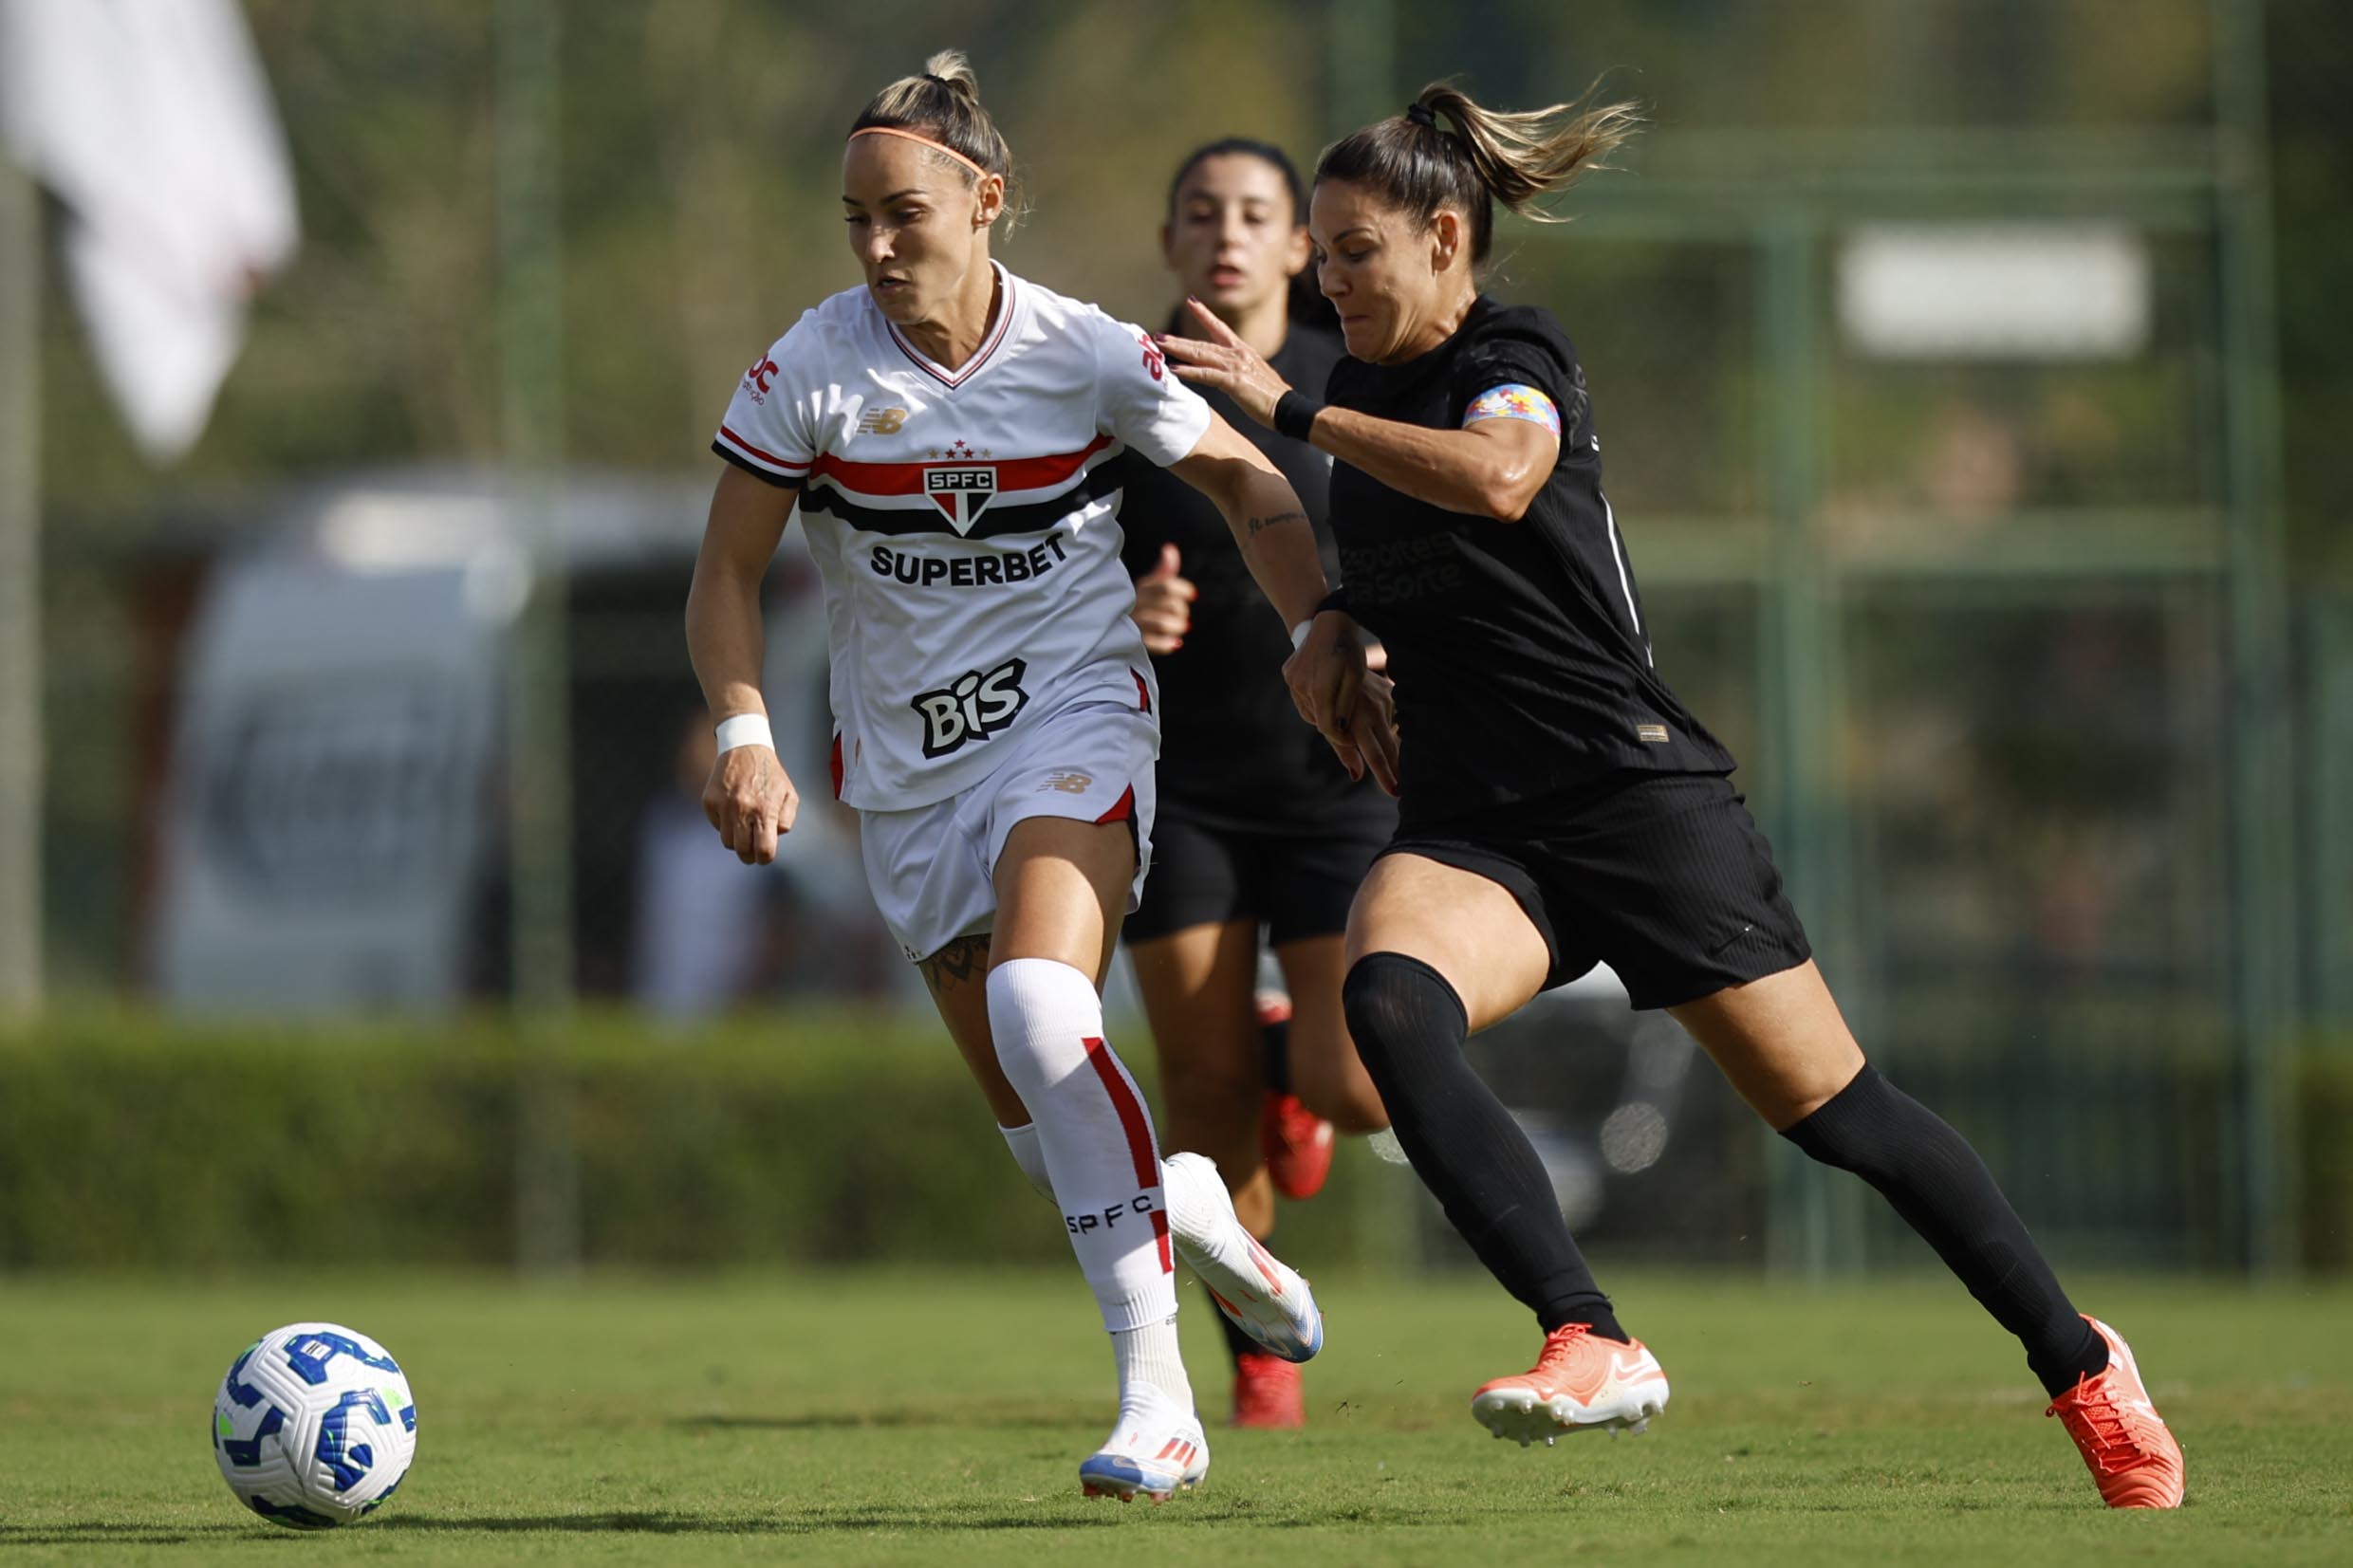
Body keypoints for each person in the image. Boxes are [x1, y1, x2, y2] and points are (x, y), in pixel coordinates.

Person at [1158, 83, 2185, 1510]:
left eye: (1353, 250)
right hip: (1473, 820)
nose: (1327, 278)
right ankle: (1589, 1331)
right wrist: (1324, 620)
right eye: (1319, 254)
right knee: (1386, 1002)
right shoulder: (1350, 389)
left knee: (1842, 1116)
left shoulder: (1512, 354)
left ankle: (2081, 1361)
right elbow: (1319, 530)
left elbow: (1504, 475)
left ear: (1446, 235)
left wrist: (1297, 410)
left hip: (1637, 799)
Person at [684, 53, 1398, 1503]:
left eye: (906, 215)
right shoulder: (811, 368)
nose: (879, 248)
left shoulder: (1086, 352)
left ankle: (1161, 1404)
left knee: (1039, 1000)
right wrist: (746, 727)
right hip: (903, 776)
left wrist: (1320, 625)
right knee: (1044, 1131)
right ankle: (1199, 1204)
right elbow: (725, 570)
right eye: (854, 221)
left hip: (1076, 719)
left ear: (987, 202)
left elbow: (1255, 483)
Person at [1117, 138, 1394, 1430]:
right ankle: (1259, 1347)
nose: (1226, 234)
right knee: (1202, 1095)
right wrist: (1125, 609)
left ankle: (1305, 1066)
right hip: (1180, 785)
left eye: (1254, 215)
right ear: (1171, 242)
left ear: (1298, 246)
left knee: (1362, 1081)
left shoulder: (1353, 387)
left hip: (1341, 771)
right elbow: (1049, 569)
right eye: (1200, 213)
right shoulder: (1114, 386)